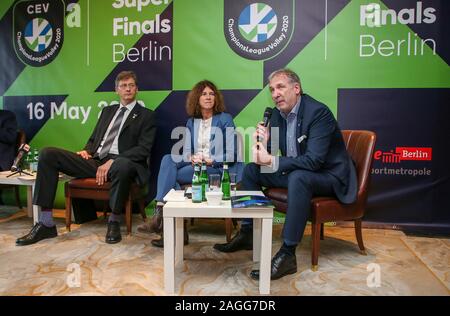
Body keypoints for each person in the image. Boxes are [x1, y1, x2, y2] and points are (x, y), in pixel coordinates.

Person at [213, 69, 357, 280]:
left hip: (329, 176)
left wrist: (271, 160)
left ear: (296, 88)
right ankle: (247, 232)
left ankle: (288, 253)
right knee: (251, 170)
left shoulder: (318, 113)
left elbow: (313, 161)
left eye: (280, 87)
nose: (275, 94)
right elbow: (270, 158)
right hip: (297, 172)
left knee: (298, 177)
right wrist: (263, 142)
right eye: (272, 89)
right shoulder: (277, 115)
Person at [16, 71, 157, 246]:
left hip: (123, 163)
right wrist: (86, 151)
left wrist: (113, 161)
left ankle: (113, 221)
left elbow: (143, 149)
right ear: (116, 90)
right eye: (123, 86)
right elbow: (94, 139)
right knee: (48, 154)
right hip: (96, 161)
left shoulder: (146, 115)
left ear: (137, 89)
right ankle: (46, 223)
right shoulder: (107, 111)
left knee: (122, 165)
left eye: (131, 85)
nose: (127, 89)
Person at [137, 80, 243, 248]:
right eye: (204, 94)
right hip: (196, 166)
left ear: (216, 98)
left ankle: (167, 225)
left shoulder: (225, 119)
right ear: (196, 98)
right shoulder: (191, 122)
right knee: (167, 159)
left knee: (172, 177)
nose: (208, 97)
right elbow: (186, 152)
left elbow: (232, 154)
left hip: (215, 168)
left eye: (211, 94)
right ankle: (163, 215)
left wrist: (210, 160)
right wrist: (192, 157)